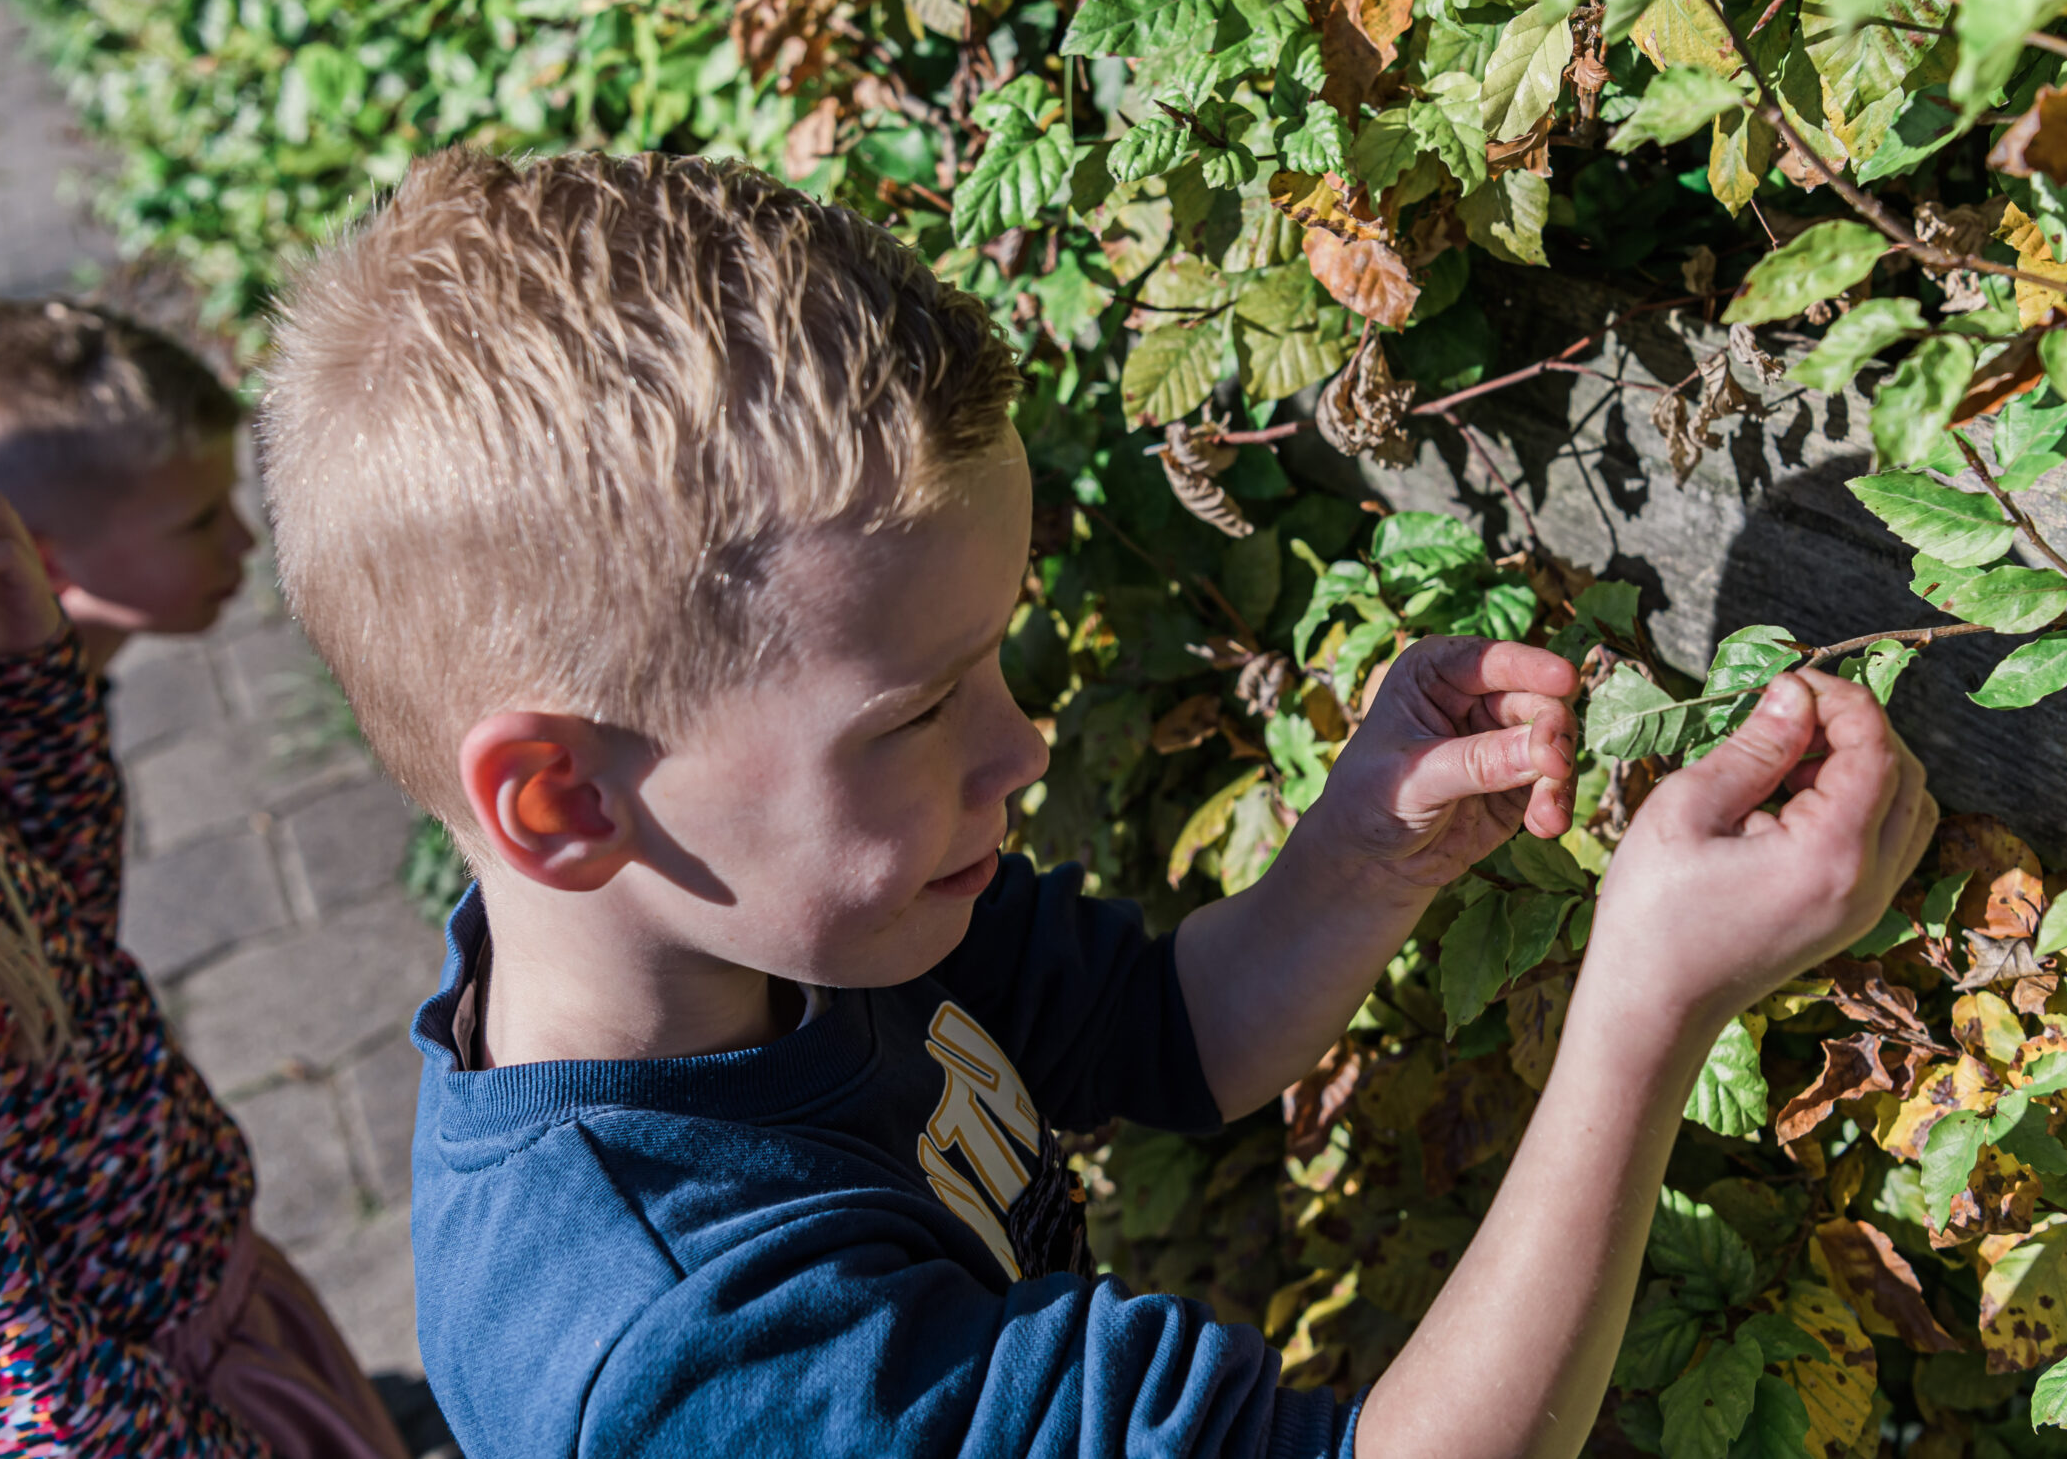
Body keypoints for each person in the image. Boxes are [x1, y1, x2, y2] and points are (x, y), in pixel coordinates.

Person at [258, 149, 1936, 1459]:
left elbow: (1165, 1029)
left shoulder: (777, 915)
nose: (1024, 743)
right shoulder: (703, 1355)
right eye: (921, 707)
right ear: (560, 798)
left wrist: (1361, 856)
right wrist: (1647, 1006)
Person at [0, 484, 409, 1456]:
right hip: (170, 1411)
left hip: (215, 1299)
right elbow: (6, 1370)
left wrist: (19, 690)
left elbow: (64, 940)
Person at [0, 299, 257, 674]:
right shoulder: (11, 707)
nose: (245, 540)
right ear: (44, 563)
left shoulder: (33, 691)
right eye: (201, 522)